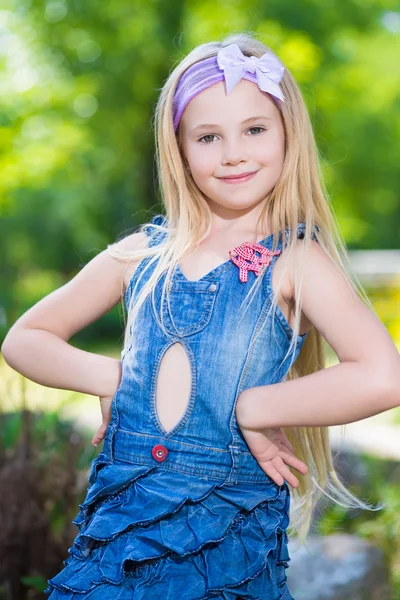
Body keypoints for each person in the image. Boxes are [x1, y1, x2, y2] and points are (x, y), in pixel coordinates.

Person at [2, 31, 399, 600]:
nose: (233, 152)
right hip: (117, 545)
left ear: (289, 135)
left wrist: (258, 406)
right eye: (208, 136)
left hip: (224, 551)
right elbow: (25, 338)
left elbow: (383, 374)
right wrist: (114, 378)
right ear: (178, 148)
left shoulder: (295, 261)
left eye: (255, 130)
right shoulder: (142, 252)